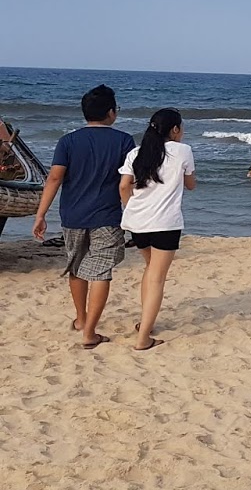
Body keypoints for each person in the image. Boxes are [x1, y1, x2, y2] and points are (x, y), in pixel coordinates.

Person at [32, 85, 136, 349]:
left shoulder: (68, 141)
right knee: (101, 272)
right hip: (107, 215)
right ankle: (89, 332)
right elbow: (129, 182)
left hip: (72, 215)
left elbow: (54, 178)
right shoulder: (124, 141)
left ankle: (81, 319)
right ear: (111, 112)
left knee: (76, 267)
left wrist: (40, 214)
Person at [119, 108, 197, 352]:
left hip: (138, 223)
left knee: (150, 271)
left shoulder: (136, 153)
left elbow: (124, 186)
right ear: (175, 130)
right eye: (181, 127)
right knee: (157, 278)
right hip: (165, 223)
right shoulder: (183, 151)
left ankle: (146, 323)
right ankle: (143, 338)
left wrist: (130, 208)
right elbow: (191, 185)